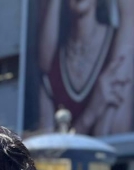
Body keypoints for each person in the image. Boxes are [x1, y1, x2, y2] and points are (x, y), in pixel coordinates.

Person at [38, 0, 134, 135]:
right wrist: (91, 112)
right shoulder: (53, 69)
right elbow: (48, 145)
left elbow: (116, 140)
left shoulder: (118, 53)